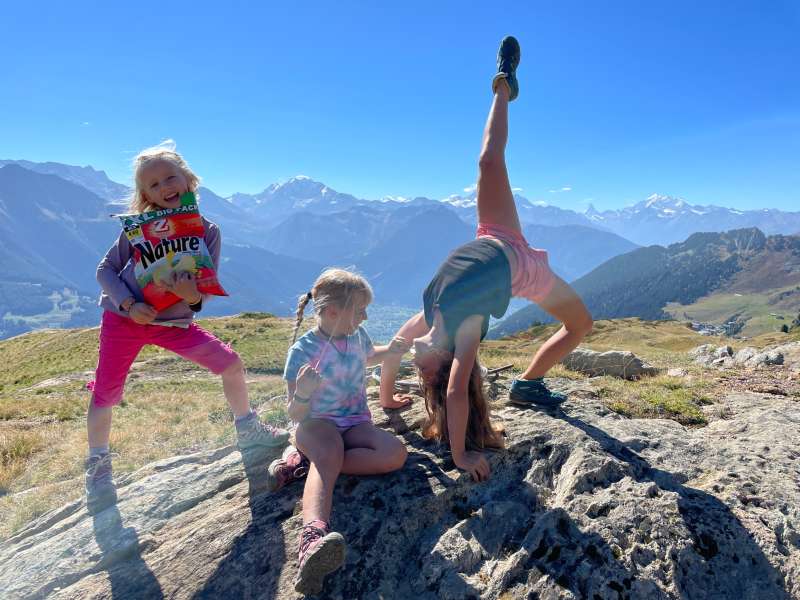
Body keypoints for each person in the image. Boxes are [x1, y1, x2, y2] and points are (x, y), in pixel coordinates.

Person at [379, 36, 593, 482]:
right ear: (444, 361)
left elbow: (394, 350)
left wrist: (386, 400)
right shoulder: (465, 331)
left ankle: (502, 84)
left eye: (416, 375)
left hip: (495, 235)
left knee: (488, 161)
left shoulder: (429, 315)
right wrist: (460, 455)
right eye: (424, 376)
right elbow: (456, 393)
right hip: (525, 273)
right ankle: (529, 384)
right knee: (581, 325)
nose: (416, 372)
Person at [84, 141, 289, 513]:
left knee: (231, 364)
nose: (164, 187)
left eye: (169, 178)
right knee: (105, 393)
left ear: (188, 179)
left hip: (173, 324)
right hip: (124, 320)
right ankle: (98, 467)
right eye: (153, 185)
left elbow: (203, 292)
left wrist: (189, 295)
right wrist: (128, 304)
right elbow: (105, 271)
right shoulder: (137, 229)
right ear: (145, 196)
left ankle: (248, 429)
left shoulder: (207, 231)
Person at [282, 268, 409, 595]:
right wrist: (303, 393)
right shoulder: (303, 352)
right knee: (328, 451)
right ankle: (311, 539)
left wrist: (391, 351)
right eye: (359, 310)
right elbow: (294, 413)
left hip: (354, 422)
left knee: (395, 454)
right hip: (316, 425)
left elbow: (368, 357)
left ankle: (309, 464)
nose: (365, 317)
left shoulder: (357, 336)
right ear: (332, 311)